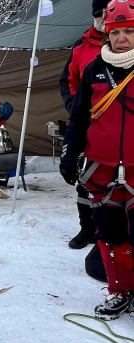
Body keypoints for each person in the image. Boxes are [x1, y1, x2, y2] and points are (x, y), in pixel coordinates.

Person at [60, 0, 134, 321]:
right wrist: (70, 153)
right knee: (108, 234)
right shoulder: (93, 69)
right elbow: (78, 120)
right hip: (100, 170)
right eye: (116, 31)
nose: (122, 38)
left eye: (130, 31)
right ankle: (120, 291)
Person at [58, 0, 111, 250]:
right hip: (87, 124)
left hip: (122, 124)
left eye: (106, 12)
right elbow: (67, 81)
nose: (102, 17)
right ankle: (87, 229)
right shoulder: (81, 47)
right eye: (97, 14)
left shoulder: (128, 41)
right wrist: (74, 107)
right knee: (84, 177)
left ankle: (113, 233)